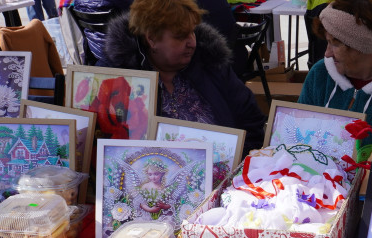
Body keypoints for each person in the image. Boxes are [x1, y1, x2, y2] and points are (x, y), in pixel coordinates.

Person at [100, 0, 265, 153]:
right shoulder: (116, 81)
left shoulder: (211, 64)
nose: (192, 42)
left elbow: (252, 121)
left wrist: (236, 162)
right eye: (180, 36)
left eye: (192, 32)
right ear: (151, 39)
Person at [298, 0, 372, 143]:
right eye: (327, 42)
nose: (327, 53)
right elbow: (299, 131)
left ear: (361, 46)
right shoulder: (320, 74)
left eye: (334, 44)